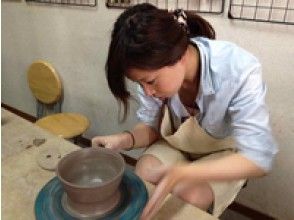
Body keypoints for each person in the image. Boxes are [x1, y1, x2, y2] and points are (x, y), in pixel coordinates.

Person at [92, 3, 278, 219]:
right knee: (144, 173)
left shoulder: (238, 69)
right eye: (140, 84)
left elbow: (258, 160)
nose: (147, 92)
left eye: (150, 82)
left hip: (223, 154)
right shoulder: (150, 72)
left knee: (187, 196)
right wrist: (123, 140)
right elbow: (152, 129)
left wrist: (185, 172)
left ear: (179, 56)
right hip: (178, 145)